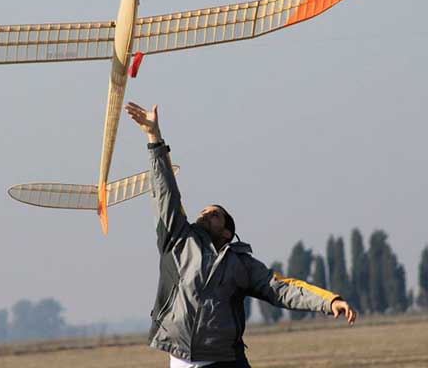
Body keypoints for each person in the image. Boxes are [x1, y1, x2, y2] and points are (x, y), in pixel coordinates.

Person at [124, 102, 357, 368]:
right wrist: (154, 136)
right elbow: (166, 193)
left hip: (225, 359)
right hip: (180, 355)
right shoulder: (178, 240)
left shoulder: (240, 264)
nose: (205, 214)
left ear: (227, 231)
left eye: (214, 214)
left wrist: (329, 301)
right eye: (204, 210)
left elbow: (282, 289)